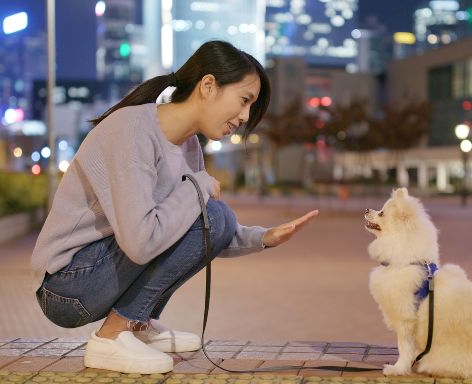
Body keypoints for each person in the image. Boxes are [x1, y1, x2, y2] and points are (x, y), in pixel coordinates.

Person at [30, 41, 318, 374]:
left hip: (98, 272)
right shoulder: (133, 130)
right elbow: (141, 242)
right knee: (213, 211)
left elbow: (199, 228)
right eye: (244, 101)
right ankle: (112, 336)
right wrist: (199, 185)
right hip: (66, 286)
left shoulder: (188, 146)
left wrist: (263, 238)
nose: (244, 117)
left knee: (216, 216)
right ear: (208, 86)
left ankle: (138, 326)